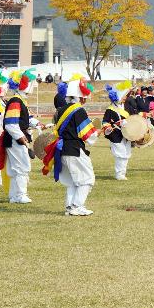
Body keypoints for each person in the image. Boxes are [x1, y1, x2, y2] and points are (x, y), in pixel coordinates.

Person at [42, 73, 98, 216]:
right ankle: (76, 206)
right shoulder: (78, 110)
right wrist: (96, 133)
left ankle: (69, 207)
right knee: (87, 179)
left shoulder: (61, 111)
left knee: (73, 181)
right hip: (74, 149)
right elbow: (89, 136)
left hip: (62, 150)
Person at [0, 69, 39, 204]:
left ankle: (14, 195)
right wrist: (21, 138)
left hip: (14, 138)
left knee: (15, 167)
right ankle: (20, 195)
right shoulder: (16, 101)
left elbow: (25, 118)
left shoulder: (19, 100)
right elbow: (10, 124)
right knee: (21, 166)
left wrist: (38, 124)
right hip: (15, 139)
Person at [102, 81, 134, 180]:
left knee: (126, 154)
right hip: (116, 134)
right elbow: (105, 122)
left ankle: (123, 173)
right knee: (120, 154)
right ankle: (119, 174)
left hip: (127, 134)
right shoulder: (110, 109)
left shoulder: (128, 107)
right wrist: (109, 127)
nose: (125, 97)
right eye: (124, 95)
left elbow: (134, 118)